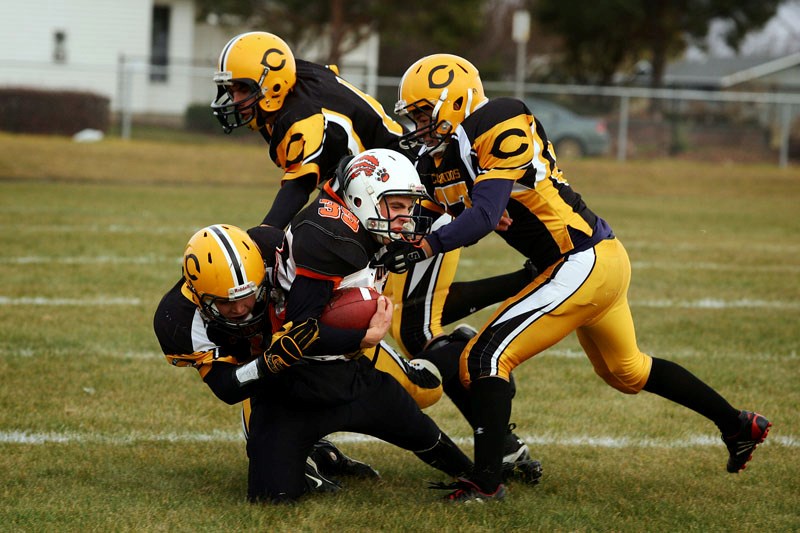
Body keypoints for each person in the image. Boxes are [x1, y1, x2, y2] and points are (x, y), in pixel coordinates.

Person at [383, 53, 771, 502]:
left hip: (580, 260)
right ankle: (739, 424)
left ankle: (487, 484)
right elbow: (451, 209)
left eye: (423, 114)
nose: (419, 126)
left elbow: (486, 214)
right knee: (627, 371)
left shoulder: (498, 119)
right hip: (592, 262)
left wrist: (431, 243)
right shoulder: (445, 159)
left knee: (484, 359)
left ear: (455, 102)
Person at [209, 31, 539, 464]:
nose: (232, 98)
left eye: (240, 88)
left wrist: (263, 240)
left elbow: (296, 191)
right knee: (403, 318)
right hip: (374, 217)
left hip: (404, 211)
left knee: (416, 331)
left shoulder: (300, 117)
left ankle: (502, 443)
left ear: (271, 84)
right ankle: (301, 431)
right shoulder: (295, 83)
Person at [154, 223, 386, 500]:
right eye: (224, 302)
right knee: (267, 444)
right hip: (258, 372)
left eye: (247, 296)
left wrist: (358, 338)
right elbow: (226, 386)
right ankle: (306, 452)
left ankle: (313, 446)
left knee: (422, 391)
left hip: (317, 347)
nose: (240, 309)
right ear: (197, 294)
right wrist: (268, 363)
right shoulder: (177, 319)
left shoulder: (274, 253)